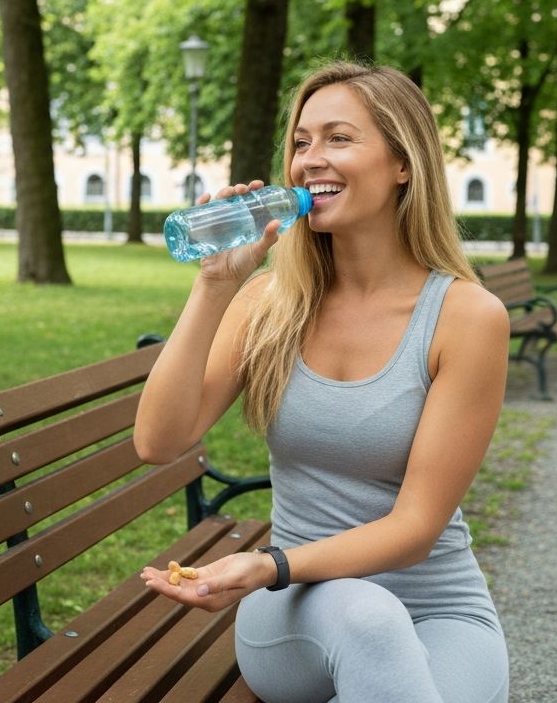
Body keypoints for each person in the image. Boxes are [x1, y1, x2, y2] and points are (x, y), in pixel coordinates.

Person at [134, 60, 510, 703]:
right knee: (367, 617)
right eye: (302, 143)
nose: (311, 159)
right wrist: (214, 287)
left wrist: (268, 561)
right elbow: (159, 441)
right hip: (296, 606)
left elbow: (417, 526)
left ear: (403, 164)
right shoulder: (266, 304)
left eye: (339, 138)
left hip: (440, 608)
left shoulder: (467, 317)